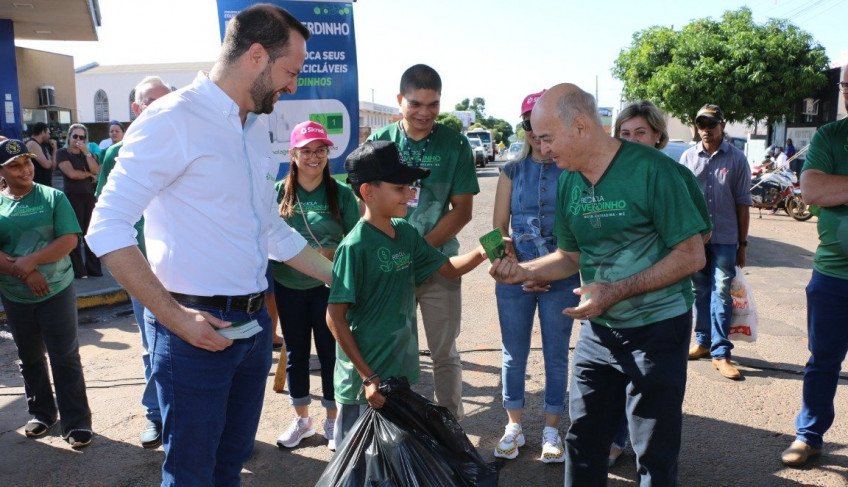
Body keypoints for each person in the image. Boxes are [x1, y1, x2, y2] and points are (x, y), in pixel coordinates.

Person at [86, 5, 332, 485]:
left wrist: (344, 275)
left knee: (231, 462)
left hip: (254, 326)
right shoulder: (171, 119)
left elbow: (269, 231)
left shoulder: (255, 129)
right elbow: (107, 227)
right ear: (256, 56)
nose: (293, 86)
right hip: (191, 333)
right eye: (290, 72)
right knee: (192, 474)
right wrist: (175, 318)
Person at [490, 84, 708, 486]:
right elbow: (570, 257)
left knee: (653, 450)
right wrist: (525, 272)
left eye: (548, 138)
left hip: (657, 326)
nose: (543, 149)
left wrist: (616, 289)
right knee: (584, 439)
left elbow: (692, 254)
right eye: (536, 139)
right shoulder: (570, 181)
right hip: (599, 328)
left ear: (580, 126)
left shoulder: (654, 171)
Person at [326, 140, 489, 447]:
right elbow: (335, 317)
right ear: (368, 192)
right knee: (357, 465)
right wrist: (368, 377)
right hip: (364, 385)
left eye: (410, 187)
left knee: (393, 460)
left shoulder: (405, 232)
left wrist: (484, 251)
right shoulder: (354, 247)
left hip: (398, 374)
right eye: (401, 188)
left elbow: (448, 269)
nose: (411, 194)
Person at [367, 64, 479, 419]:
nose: (424, 113)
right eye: (415, 104)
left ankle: (451, 431)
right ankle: (399, 428)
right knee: (394, 352)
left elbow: (462, 210)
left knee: (444, 353)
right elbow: (366, 204)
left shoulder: (455, 143)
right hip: (388, 266)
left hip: (439, 265)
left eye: (433, 105)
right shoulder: (379, 143)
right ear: (399, 100)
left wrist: (419, 251)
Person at [610, 99, 713, 466]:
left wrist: (659, 260)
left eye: (640, 132)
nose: (632, 140)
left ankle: (653, 462)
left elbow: (701, 235)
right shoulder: (607, 179)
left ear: (657, 137)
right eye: (624, 134)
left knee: (657, 395)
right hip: (614, 305)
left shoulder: (675, 175)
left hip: (665, 305)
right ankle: (617, 440)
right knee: (619, 381)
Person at [490, 90, 577, 463]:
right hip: (514, 282)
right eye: (529, 126)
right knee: (513, 354)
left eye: (544, 128)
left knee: (557, 356)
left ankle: (552, 429)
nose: (537, 135)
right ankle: (514, 426)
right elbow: (495, 230)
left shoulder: (573, 171)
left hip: (562, 278)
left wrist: (544, 272)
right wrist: (510, 265)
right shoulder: (510, 170)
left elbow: (578, 233)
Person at [94, 76, 171, 449]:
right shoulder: (116, 154)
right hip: (144, 271)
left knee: (196, 346)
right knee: (151, 346)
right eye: (151, 102)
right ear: (136, 109)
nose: (159, 108)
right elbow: (105, 215)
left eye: (166, 101)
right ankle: (156, 416)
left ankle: (189, 419)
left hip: (184, 270)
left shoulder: (186, 144)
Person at [0, 139, 93, 449]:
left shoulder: (53, 197)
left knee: (65, 357)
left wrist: (32, 262)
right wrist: (25, 272)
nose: (24, 168)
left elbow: (69, 240)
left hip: (57, 290)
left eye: (26, 161)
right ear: (2, 171)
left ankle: (77, 422)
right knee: (29, 357)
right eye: (14, 165)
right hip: (16, 294)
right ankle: (42, 413)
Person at [273, 121, 359, 451]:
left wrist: (330, 252)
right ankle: (302, 420)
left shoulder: (341, 194)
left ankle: (333, 421)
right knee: (295, 353)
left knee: (329, 354)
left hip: (328, 287)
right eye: (306, 151)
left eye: (320, 150)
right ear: (293, 155)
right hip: (288, 285)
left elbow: (356, 244)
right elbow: (265, 239)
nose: (314, 157)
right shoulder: (278, 194)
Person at [781, 65, 848, 468]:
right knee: (822, 360)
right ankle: (809, 435)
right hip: (833, 275)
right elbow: (813, 190)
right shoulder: (831, 136)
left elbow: (830, 188)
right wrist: (830, 190)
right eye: (845, 86)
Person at [680, 104, 752, 380]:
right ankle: (703, 341)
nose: (706, 130)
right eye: (701, 124)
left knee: (721, 293)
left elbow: (743, 204)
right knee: (700, 291)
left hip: (724, 239)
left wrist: (742, 245)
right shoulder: (687, 157)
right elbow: (681, 200)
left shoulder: (736, 159)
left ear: (722, 125)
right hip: (696, 239)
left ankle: (721, 353)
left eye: (711, 124)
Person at [56, 123, 102, 279]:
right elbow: (72, 174)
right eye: (75, 136)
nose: (78, 140)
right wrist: (89, 175)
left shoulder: (87, 154)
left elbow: (97, 171)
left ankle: (94, 269)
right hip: (73, 197)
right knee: (75, 235)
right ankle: (79, 271)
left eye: (81, 137)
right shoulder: (63, 153)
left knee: (91, 234)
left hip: (89, 197)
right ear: (69, 137)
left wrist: (87, 154)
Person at [24, 122, 57, 187]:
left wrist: (55, 149)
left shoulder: (43, 145)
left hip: (45, 185)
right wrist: (50, 156)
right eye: (48, 133)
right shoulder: (32, 144)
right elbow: (47, 165)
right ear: (42, 132)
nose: (49, 136)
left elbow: (53, 167)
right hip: (37, 186)